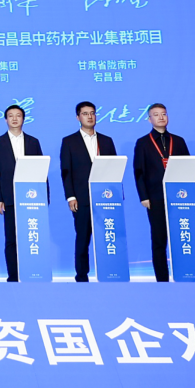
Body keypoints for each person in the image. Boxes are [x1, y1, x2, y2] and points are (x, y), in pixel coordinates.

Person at [133, 103, 190, 282]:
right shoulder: (143, 143)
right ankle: (162, 279)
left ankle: (184, 273)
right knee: (159, 240)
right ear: (149, 119)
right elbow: (139, 172)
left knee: (181, 236)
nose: (161, 117)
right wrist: (144, 196)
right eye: (156, 114)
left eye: (164, 114)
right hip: (155, 197)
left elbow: (188, 168)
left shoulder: (178, 141)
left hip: (179, 197)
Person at [60, 101, 116, 282]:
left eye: (92, 113)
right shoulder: (69, 141)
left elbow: (114, 169)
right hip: (81, 198)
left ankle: (109, 271)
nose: (90, 116)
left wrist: (116, 195)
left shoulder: (106, 141)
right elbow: (66, 172)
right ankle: (82, 275)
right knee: (83, 237)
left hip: (105, 197)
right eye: (85, 113)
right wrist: (71, 196)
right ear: (78, 117)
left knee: (108, 236)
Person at [0, 104, 44, 282]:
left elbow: (41, 170)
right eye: (11, 116)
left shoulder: (33, 142)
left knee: (32, 236)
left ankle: (33, 272)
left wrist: (44, 196)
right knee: (11, 239)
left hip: (32, 198)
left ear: (23, 119)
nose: (14, 119)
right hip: (9, 198)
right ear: (6, 119)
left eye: (18, 115)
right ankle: (13, 275)